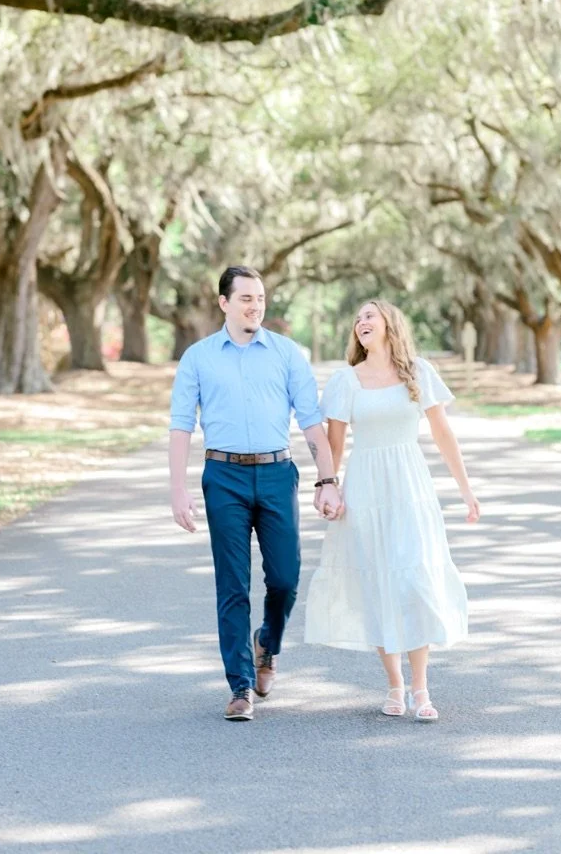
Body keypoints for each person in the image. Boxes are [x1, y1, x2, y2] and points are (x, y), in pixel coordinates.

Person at [169, 266, 343, 721]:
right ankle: (240, 686)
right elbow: (181, 425)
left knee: (285, 578)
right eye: (246, 298)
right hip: (222, 475)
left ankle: (267, 641)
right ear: (224, 303)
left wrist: (328, 481)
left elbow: (311, 422)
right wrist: (178, 490)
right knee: (233, 584)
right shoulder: (198, 358)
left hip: (276, 473)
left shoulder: (287, 354)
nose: (255, 306)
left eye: (260, 297)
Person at [304, 299, 481, 722]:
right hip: (365, 488)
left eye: (369, 315)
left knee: (414, 580)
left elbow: (442, 433)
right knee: (377, 582)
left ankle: (421, 688)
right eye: (357, 318)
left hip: (410, 486)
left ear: (389, 323)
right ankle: (394, 685)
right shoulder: (345, 380)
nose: (361, 322)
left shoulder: (419, 371)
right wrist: (328, 488)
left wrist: (466, 490)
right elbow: (335, 444)